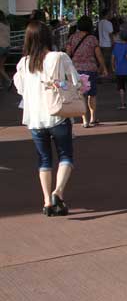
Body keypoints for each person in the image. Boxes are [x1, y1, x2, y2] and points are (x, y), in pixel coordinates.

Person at [13, 21, 80, 216]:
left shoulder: (23, 63)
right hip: (58, 115)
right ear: (48, 37)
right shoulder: (59, 57)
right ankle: (57, 192)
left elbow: (20, 89)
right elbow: (75, 82)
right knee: (66, 155)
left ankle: (46, 202)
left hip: (35, 118)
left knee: (44, 159)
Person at [65, 16, 108, 127]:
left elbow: (68, 54)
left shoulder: (72, 38)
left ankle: (85, 119)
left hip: (76, 70)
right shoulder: (92, 39)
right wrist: (103, 67)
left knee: (81, 95)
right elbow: (98, 55)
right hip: (90, 69)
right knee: (92, 95)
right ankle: (93, 117)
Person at [111, 29, 127, 109]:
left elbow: (113, 58)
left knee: (121, 87)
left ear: (120, 37)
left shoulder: (116, 46)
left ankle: (123, 104)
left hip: (119, 70)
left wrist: (113, 67)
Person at [98, 9, 114, 77]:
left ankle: (102, 73)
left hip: (101, 43)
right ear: (107, 14)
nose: (111, 15)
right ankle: (101, 73)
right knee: (107, 60)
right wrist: (113, 42)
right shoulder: (108, 23)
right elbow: (110, 34)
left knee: (103, 59)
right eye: (110, 13)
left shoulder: (100, 22)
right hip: (107, 44)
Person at [0, 10, 12, 90]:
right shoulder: (7, 25)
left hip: (0, 47)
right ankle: (2, 83)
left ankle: (8, 80)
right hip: (7, 47)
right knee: (1, 67)